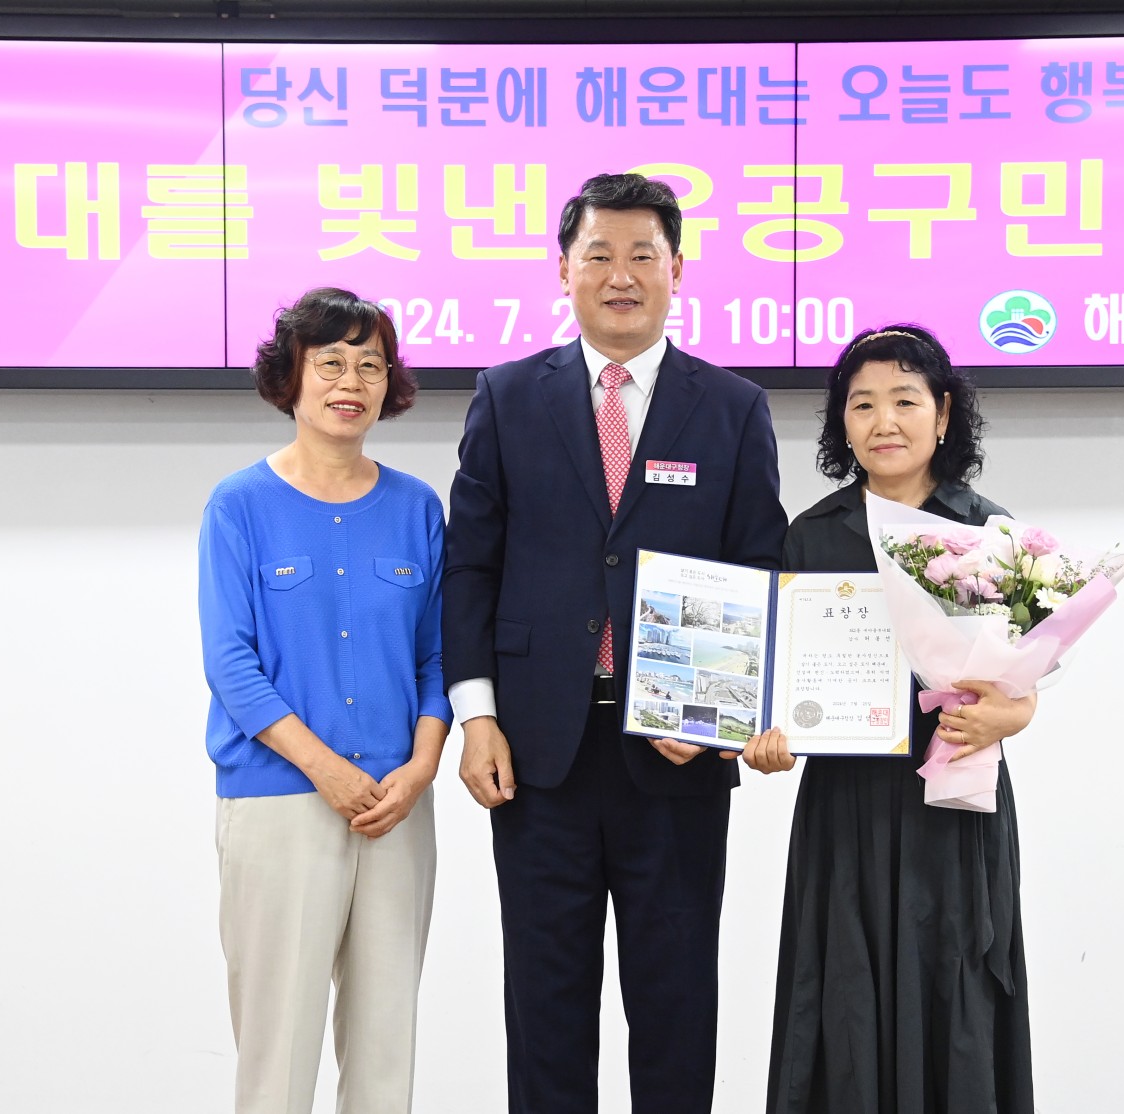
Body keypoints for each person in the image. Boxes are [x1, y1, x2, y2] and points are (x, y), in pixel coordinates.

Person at [442, 172, 788, 1114]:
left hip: (675, 755)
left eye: (644, 255)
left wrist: (718, 717)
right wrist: (477, 717)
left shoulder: (733, 407)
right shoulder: (508, 396)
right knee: (545, 1006)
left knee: (675, 1004)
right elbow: (469, 567)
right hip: (536, 752)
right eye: (599, 254)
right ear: (564, 270)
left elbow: (758, 568)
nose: (622, 275)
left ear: (679, 270)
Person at [743, 325, 1037, 1114]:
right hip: (847, 808)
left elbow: (1023, 687)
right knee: (843, 990)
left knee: (956, 991)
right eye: (863, 404)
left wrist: (1007, 717)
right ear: (842, 423)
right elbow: (777, 685)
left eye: (905, 401)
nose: (885, 422)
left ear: (943, 414)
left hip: (954, 802)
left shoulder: (986, 531)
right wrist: (767, 740)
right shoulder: (811, 535)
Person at [197, 287, 451, 1114]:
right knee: (278, 1052)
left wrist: (421, 767)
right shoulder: (240, 505)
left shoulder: (417, 508)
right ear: (292, 376)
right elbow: (231, 664)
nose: (352, 382)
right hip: (281, 801)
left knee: (386, 1048)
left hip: (396, 805)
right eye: (331, 362)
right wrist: (326, 769)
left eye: (370, 365)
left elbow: (437, 655)